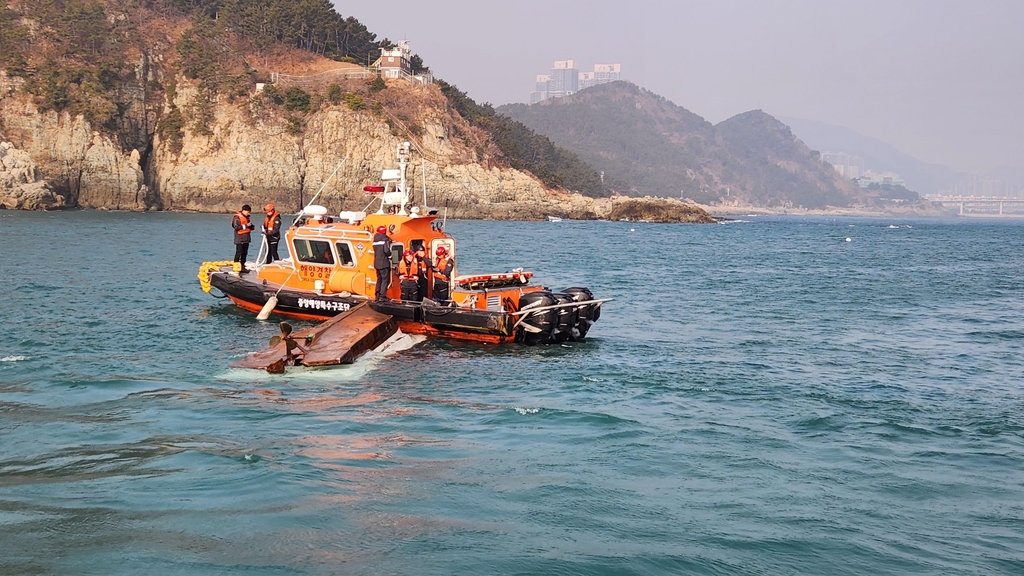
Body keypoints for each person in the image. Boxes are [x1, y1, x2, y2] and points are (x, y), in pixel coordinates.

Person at [231, 204, 255, 272]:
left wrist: (251, 226)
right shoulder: (237, 217)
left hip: (246, 238)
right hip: (239, 238)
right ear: (244, 210)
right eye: (248, 212)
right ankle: (236, 266)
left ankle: (242, 266)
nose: (248, 213)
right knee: (239, 252)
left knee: (245, 252)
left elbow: (251, 226)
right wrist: (246, 226)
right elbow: (236, 227)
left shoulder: (247, 218)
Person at [372, 225, 393, 301]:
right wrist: (390, 256)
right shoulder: (385, 240)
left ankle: (377, 294)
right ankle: (382, 296)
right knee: (385, 279)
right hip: (384, 263)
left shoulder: (375, 240)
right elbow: (386, 250)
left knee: (379, 279)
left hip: (376, 263)